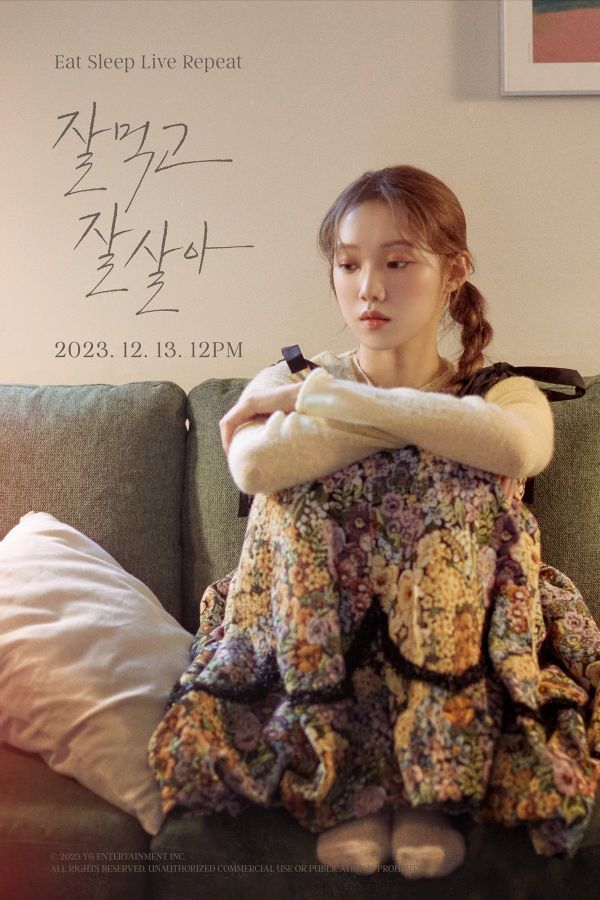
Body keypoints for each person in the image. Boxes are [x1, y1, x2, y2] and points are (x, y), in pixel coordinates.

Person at [148, 165, 600, 879]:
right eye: (349, 264)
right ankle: (348, 782)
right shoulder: (292, 376)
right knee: (302, 497)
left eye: (397, 262)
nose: (369, 288)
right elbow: (257, 468)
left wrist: (335, 406)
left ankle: (429, 789)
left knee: (461, 496)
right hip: (316, 622)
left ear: (454, 272)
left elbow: (519, 448)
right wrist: (431, 425)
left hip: (456, 623)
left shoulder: (497, 390)